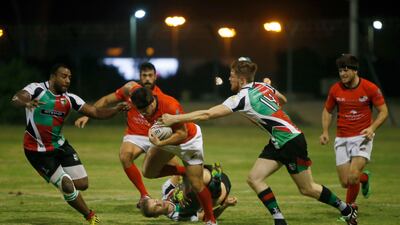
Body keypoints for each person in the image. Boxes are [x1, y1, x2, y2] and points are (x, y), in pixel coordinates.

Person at [161, 57, 359, 225]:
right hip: (280, 140)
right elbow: (282, 101)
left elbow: (206, 114)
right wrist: (268, 95)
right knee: (254, 178)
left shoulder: (241, 98)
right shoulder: (262, 86)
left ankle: (346, 209)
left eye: (231, 76)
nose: (229, 78)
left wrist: (175, 118)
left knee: (307, 188)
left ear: (241, 78)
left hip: (291, 141)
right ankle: (279, 219)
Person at [11, 63, 129, 225]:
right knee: (66, 184)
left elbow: (95, 112)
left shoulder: (70, 98)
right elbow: (17, 98)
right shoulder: (37, 89)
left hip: (60, 146)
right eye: (64, 76)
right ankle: (90, 216)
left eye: (70, 78)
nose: (67, 81)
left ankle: (58, 180)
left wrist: (115, 109)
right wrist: (26, 103)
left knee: (82, 183)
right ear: (53, 77)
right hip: (37, 151)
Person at [74, 62, 181, 207]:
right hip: (135, 135)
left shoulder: (160, 98)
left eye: (150, 75)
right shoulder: (130, 90)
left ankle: (177, 191)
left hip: (156, 136)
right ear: (140, 76)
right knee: (125, 155)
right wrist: (88, 114)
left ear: (155, 77)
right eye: (144, 75)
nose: (147, 79)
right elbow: (106, 100)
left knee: (177, 169)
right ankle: (144, 195)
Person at [130, 87, 218, 225]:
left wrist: (160, 143)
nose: (144, 114)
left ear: (152, 102)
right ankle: (184, 172)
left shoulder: (169, 105)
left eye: (146, 110)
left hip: (189, 141)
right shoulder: (141, 103)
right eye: (141, 111)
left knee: (196, 184)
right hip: (168, 141)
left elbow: (182, 134)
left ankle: (210, 220)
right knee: (148, 172)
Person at [319, 54, 388, 205]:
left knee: (352, 177)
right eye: (340, 71)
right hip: (342, 137)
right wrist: (325, 131)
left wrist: (372, 127)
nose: (342, 74)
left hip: (362, 137)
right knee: (345, 182)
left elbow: (383, 111)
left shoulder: (370, 88)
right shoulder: (335, 89)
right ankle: (365, 178)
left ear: (355, 70)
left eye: (346, 70)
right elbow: (327, 111)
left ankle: (350, 212)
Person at [140, 163, 237, 222]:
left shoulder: (166, 189)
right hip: (218, 192)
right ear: (157, 216)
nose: (159, 203)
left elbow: (179, 172)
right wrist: (225, 205)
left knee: (183, 189)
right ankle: (214, 183)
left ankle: (210, 177)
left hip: (204, 174)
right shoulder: (179, 216)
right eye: (156, 207)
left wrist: (182, 188)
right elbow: (205, 216)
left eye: (156, 201)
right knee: (186, 205)